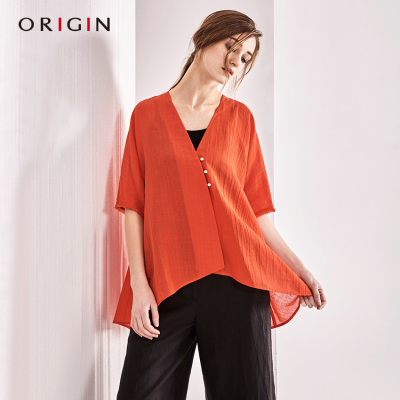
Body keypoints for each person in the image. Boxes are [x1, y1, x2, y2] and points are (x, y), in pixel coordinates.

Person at [114, 10, 327, 400]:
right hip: (167, 287)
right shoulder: (146, 115)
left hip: (238, 287)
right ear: (203, 39)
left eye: (245, 57)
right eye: (230, 46)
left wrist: (302, 271)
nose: (235, 61)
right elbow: (134, 208)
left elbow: (259, 217)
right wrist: (140, 288)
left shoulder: (241, 120)